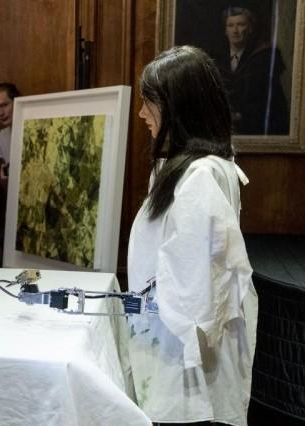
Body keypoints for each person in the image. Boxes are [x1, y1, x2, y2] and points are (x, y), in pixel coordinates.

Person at [129, 45, 258, 425]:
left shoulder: (201, 176)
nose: (141, 114)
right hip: (176, 343)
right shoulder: (190, 168)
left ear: (178, 107)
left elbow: (196, 292)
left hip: (186, 354)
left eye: (148, 103)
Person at [214, 6, 289, 135]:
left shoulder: (263, 59)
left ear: (250, 29)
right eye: (230, 25)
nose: (235, 31)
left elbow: (272, 104)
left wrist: (241, 115)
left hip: (253, 129)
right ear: (226, 31)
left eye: (241, 24)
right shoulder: (216, 60)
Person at [0, 82, 21, 187]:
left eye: (4, 105)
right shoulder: (2, 136)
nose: (0, 113)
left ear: (17, 101)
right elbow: (3, 177)